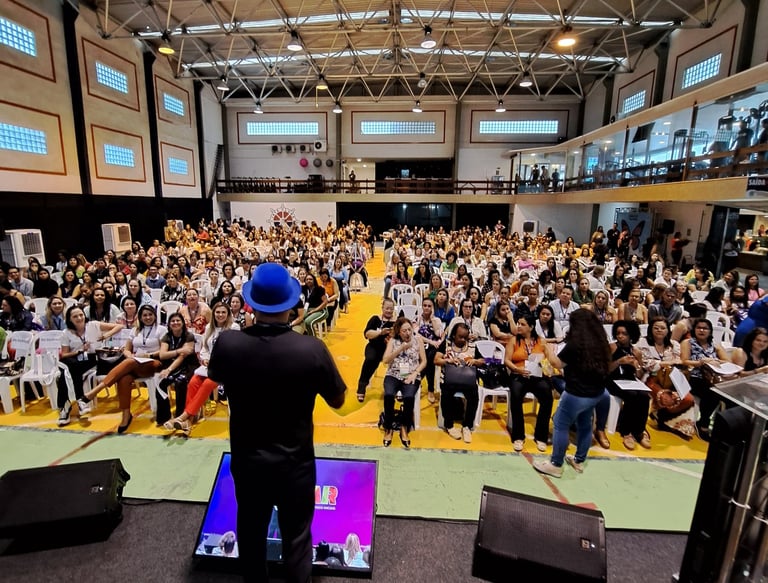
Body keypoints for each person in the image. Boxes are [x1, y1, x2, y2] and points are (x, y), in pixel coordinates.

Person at [206, 262, 346, 583]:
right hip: (295, 465)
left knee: (251, 535)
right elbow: (338, 400)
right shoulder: (311, 349)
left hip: (248, 462)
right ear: (291, 304)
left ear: (251, 304)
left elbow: (216, 375)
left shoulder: (228, 343)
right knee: (297, 540)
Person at [533, 309, 611, 477]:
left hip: (576, 393)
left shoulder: (575, 344)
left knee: (560, 424)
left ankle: (556, 464)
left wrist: (546, 348)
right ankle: (579, 460)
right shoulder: (601, 342)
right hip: (596, 393)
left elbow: (557, 363)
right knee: (585, 424)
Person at [77, 304, 166, 432]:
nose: (148, 317)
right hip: (135, 362)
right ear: (140, 317)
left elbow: (163, 351)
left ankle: (93, 392)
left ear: (155, 316)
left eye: (150, 315)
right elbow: (127, 349)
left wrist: (148, 355)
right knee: (124, 378)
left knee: (129, 363)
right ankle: (126, 415)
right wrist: (130, 355)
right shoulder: (135, 330)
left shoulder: (161, 330)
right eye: (144, 315)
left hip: (154, 362)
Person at [56, 305, 122, 426]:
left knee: (65, 372)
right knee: (69, 368)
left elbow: (119, 326)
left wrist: (106, 335)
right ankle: (80, 401)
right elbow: (64, 354)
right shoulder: (66, 333)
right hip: (74, 359)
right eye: (75, 316)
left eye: (81, 315)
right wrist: (79, 351)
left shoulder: (94, 325)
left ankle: (64, 408)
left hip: (91, 358)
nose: (79, 318)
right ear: (69, 319)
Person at [637, 317, 695, 438]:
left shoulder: (674, 345)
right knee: (666, 398)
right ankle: (661, 418)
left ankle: (664, 418)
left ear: (668, 330)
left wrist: (670, 364)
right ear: (650, 329)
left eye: (663, 328)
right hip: (649, 378)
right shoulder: (642, 342)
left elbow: (677, 362)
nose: (659, 330)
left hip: (671, 379)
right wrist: (665, 363)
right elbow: (646, 364)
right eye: (656, 328)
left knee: (688, 399)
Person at [503, 313, 554, 453]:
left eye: (522, 324)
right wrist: (517, 369)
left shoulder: (541, 341)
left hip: (537, 376)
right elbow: (507, 360)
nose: (518, 326)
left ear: (531, 327)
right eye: (518, 323)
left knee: (547, 397)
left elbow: (549, 360)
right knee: (516, 395)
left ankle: (541, 436)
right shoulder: (514, 340)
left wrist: (546, 366)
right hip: (518, 375)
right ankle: (518, 436)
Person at [680, 317, 731, 441]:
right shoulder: (688, 343)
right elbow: (684, 361)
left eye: (705, 328)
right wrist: (701, 362)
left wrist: (714, 361)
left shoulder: (715, 345)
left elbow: (727, 361)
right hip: (692, 376)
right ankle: (703, 424)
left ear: (710, 331)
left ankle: (723, 428)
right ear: (694, 329)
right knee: (712, 393)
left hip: (712, 378)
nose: (702, 330)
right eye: (699, 328)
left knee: (722, 393)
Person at [380, 317, 426, 449]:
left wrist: (415, 373)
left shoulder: (418, 340)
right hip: (393, 374)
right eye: (404, 331)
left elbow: (424, 361)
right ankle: (388, 428)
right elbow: (385, 360)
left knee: (409, 397)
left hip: (411, 374)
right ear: (399, 332)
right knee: (389, 395)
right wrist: (400, 348)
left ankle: (404, 427)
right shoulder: (393, 341)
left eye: (409, 330)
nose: (408, 333)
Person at [434, 323, 483, 443]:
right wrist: (448, 361)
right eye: (460, 337)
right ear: (454, 335)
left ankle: (467, 426)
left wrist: (474, 361)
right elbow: (436, 360)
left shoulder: (472, 346)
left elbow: (483, 361)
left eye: (465, 337)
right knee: (446, 395)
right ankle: (449, 425)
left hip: (467, 380)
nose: (463, 340)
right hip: (449, 379)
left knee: (474, 396)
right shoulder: (446, 344)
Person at [607, 320, 652, 450]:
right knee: (631, 395)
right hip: (613, 380)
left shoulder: (636, 351)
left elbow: (639, 376)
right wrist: (619, 362)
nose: (620, 336)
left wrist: (636, 366)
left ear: (631, 335)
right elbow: (605, 370)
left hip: (630, 381)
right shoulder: (612, 347)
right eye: (618, 333)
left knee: (644, 396)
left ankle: (639, 431)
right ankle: (626, 432)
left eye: (624, 334)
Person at [356, 298, 397, 402]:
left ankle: (400, 387)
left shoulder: (397, 321)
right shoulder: (375, 319)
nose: (389, 311)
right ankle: (362, 385)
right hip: (374, 346)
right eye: (387, 308)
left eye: (391, 309)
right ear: (382, 308)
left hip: (391, 350)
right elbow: (367, 334)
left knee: (403, 360)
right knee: (371, 359)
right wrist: (380, 333)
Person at [414, 297, 443, 404]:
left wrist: (432, 319)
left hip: (433, 348)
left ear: (433, 308)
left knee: (430, 357)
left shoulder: (437, 320)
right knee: (428, 359)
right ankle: (430, 389)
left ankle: (418, 379)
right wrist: (430, 342)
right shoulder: (417, 318)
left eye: (429, 306)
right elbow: (416, 335)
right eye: (425, 305)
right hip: (420, 346)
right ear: (422, 306)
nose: (426, 308)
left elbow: (438, 334)